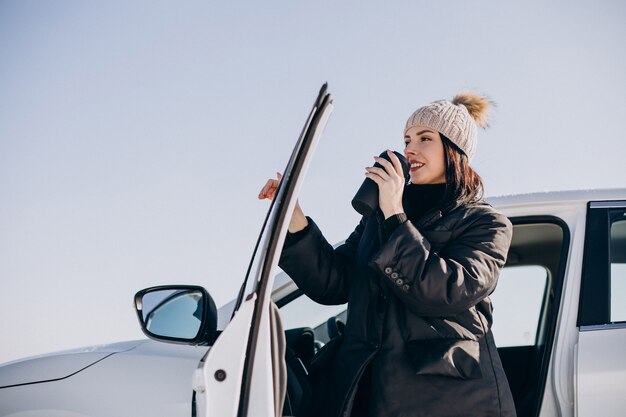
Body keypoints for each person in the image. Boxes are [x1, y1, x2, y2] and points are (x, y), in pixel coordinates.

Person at [259, 92, 516, 417]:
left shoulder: (486, 223)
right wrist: (294, 218)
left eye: (425, 139)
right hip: (368, 392)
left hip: (442, 400)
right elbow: (334, 283)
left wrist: (395, 213)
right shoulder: (379, 219)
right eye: (407, 139)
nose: (410, 148)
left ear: (455, 151)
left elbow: (445, 291)